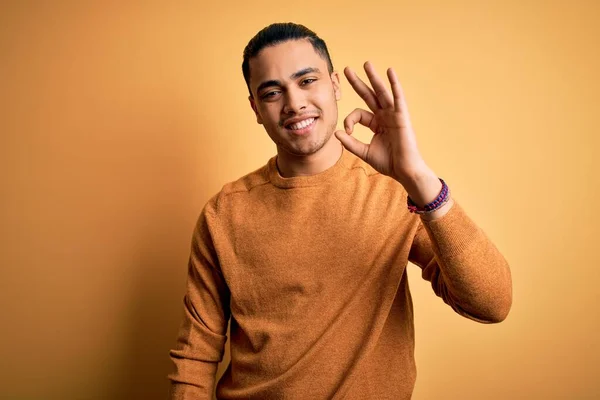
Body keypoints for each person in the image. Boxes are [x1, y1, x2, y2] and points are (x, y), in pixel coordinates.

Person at [168, 22, 512, 400]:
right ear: (255, 108)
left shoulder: (398, 193)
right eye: (271, 92)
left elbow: (492, 303)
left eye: (306, 81)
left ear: (334, 86)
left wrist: (419, 178)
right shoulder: (224, 214)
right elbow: (196, 356)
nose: (294, 103)